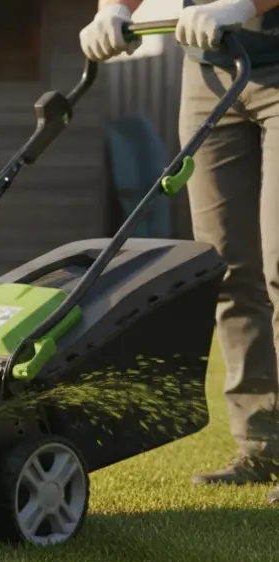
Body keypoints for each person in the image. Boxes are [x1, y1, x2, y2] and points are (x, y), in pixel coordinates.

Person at [81, 0, 279, 502]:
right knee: (227, 268)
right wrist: (112, 10)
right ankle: (261, 444)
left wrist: (242, 4)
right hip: (210, 73)